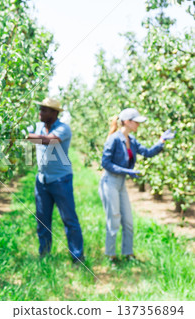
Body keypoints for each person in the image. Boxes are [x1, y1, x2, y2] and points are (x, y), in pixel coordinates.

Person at [99, 108, 175, 262]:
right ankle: (110, 255)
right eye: (136, 121)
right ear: (127, 122)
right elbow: (105, 163)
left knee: (128, 220)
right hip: (110, 181)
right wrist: (127, 171)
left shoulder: (131, 140)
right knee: (113, 219)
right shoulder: (113, 139)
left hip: (120, 183)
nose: (139, 124)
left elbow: (147, 152)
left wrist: (162, 141)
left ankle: (128, 254)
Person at [27, 97, 84, 264]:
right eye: (40, 109)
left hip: (61, 180)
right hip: (42, 181)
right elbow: (25, 131)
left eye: (44, 110)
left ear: (53, 113)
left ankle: (77, 257)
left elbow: (47, 140)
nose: (40, 113)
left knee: (69, 220)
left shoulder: (63, 129)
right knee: (42, 221)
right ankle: (44, 255)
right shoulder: (37, 127)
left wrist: (24, 135)